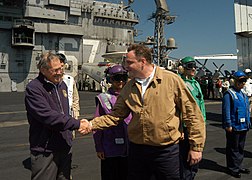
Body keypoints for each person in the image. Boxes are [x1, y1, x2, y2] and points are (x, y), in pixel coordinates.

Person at [79, 44, 206, 180]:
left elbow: (192, 114)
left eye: (129, 62)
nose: (126, 66)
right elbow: (116, 115)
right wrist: (91, 125)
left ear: (143, 62)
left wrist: (196, 147)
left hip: (166, 151)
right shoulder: (129, 87)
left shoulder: (171, 80)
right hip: (138, 151)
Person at [25, 52, 88, 180]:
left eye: (61, 68)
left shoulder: (62, 85)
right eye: (56, 70)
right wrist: (78, 124)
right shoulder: (34, 89)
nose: (60, 72)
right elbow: (49, 116)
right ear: (43, 70)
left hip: (64, 146)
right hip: (45, 150)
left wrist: (69, 136)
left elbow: (66, 112)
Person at [93, 64, 131, 180]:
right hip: (110, 148)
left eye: (123, 78)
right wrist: (99, 147)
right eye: (116, 78)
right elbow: (97, 124)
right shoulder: (103, 98)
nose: (120, 81)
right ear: (110, 79)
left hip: (130, 147)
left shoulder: (132, 96)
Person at [179, 56, 206, 180]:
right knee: (185, 157)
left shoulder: (195, 83)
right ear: (182, 68)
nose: (194, 68)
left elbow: (201, 104)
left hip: (198, 126)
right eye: (190, 66)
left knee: (196, 157)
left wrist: (203, 122)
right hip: (185, 127)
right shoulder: (179, 83)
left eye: (194, 66)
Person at [222, 70, 251, 178]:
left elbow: (247, 110)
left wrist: (248, 123)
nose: (243, 83)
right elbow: (226, 110)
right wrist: (228, 124)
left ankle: (238, 166)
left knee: (240, 148)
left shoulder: (243, 94)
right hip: (234, 126)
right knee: (233, 148)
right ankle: (232, 168)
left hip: (243, 126)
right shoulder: (229, 94)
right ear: (234, 81)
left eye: (244, 81)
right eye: (241, 81)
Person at [56, 53, 80, 120]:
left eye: (62, 65)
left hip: (69, 114)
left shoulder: (70, 79)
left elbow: (75, 98)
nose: (61, 68)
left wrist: (76, 114)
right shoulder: (52, 80)